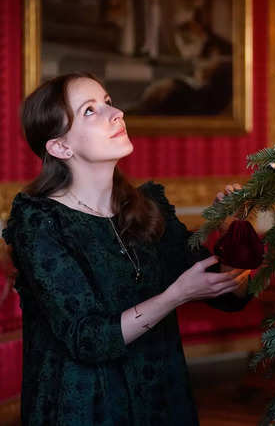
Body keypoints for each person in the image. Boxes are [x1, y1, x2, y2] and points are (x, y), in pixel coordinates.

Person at [3, 72, 252, 425]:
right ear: (60, 147)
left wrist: (233, 233)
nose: (116, 112)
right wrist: (175, 296)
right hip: (85, 407)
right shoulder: (41, 222)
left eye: (107, 101)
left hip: (162, 399)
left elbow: (229, 295)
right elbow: (87, 339)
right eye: (90, 111)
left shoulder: (148, 207)